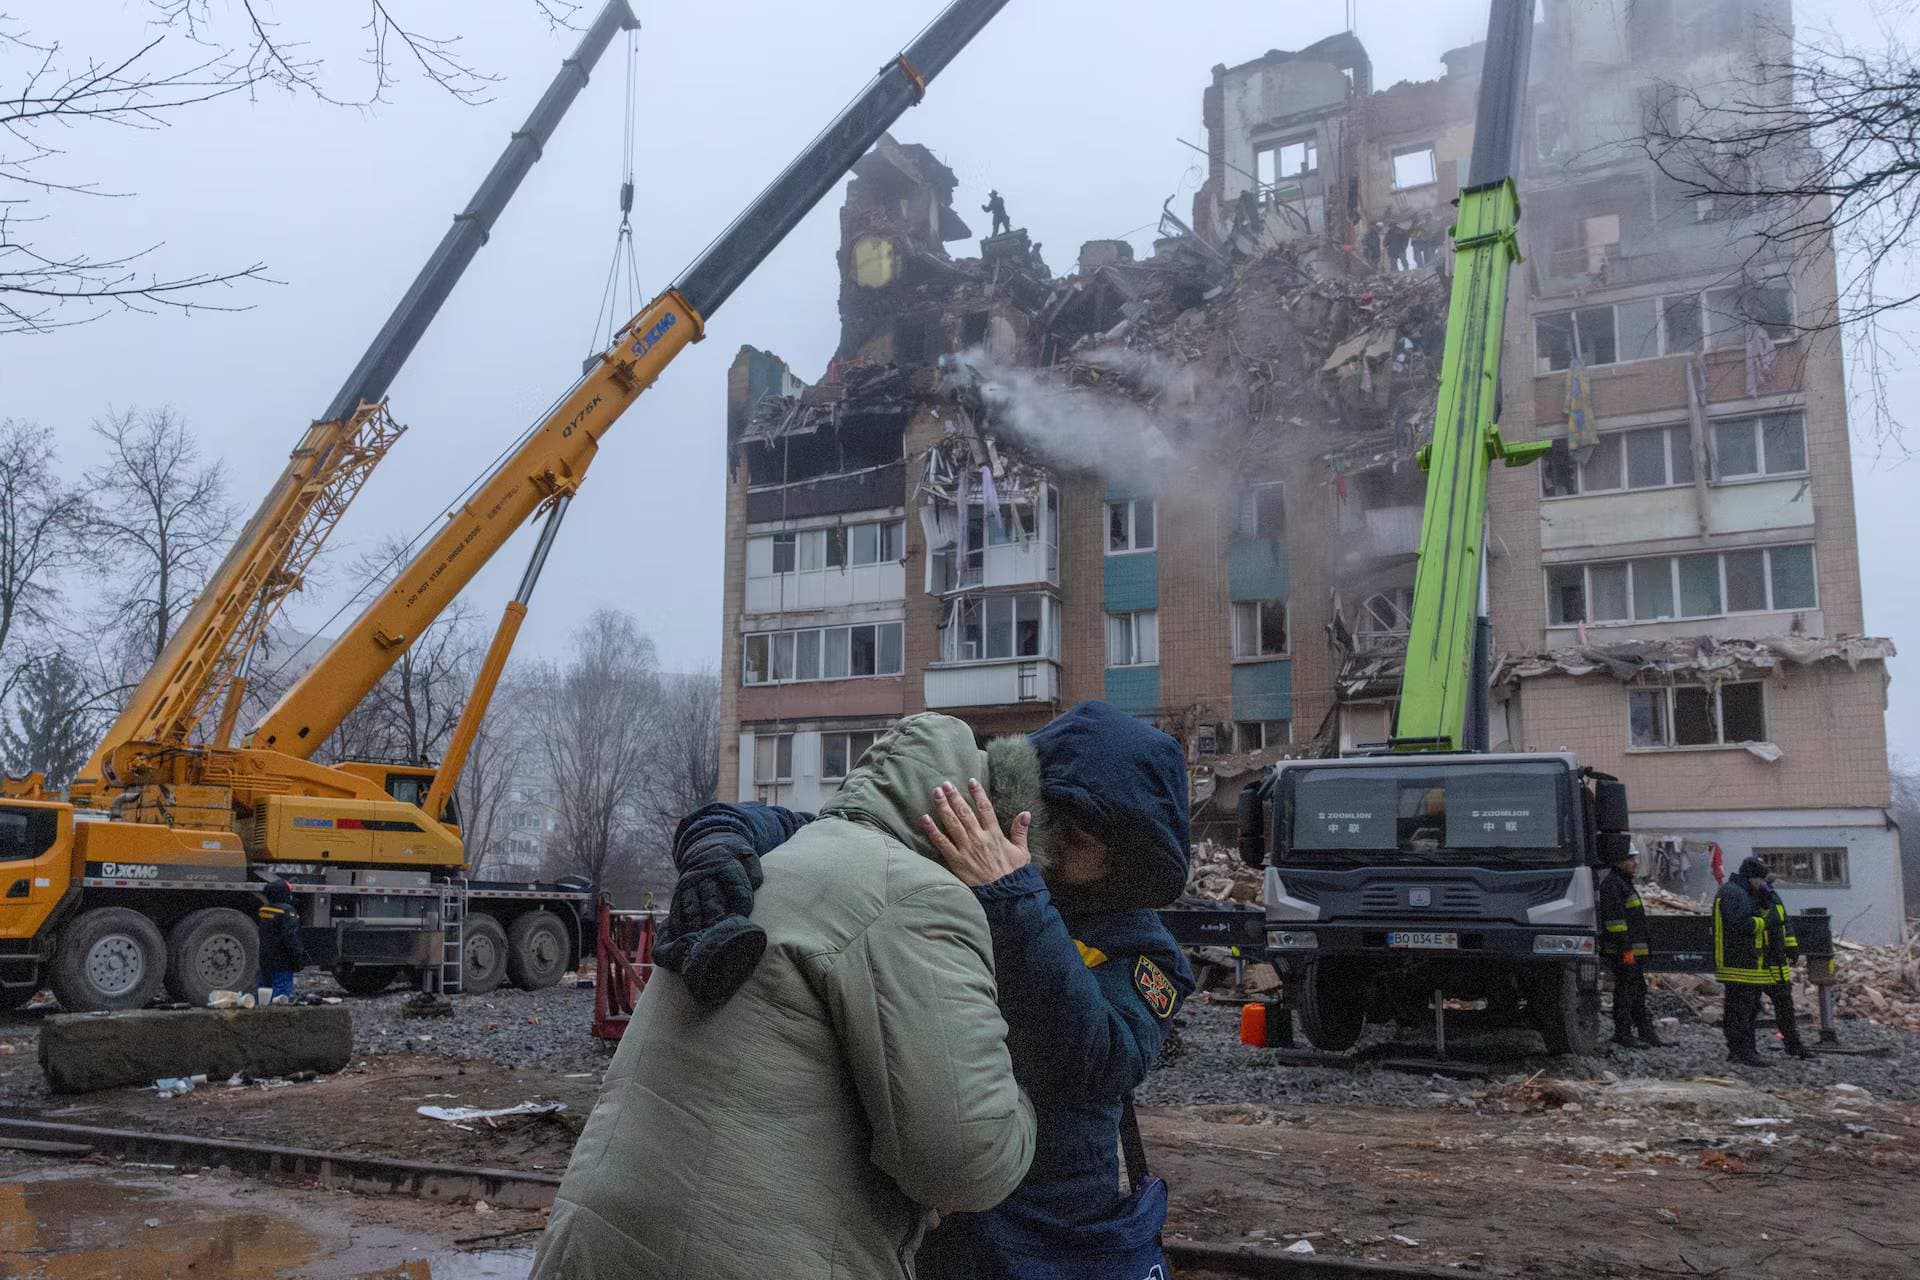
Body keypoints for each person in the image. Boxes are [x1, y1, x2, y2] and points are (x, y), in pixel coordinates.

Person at [656, 700, 1194, 1280]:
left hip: (1052, 1229)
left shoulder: (1145, 950)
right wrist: (719, 841)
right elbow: (832, 833)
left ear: (1129, 852)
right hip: (924, 1218)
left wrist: (1011, 896)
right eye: (1050, 814)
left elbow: (1102, 1058)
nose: (1054, 839)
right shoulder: (964, 847)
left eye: (1084, 832)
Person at [531, 712, 1038, 1280]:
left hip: (592, 1245)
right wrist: (1029, 1092)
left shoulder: (771, 861)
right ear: (980, 817)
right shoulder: (918, 898)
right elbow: (964, 1163)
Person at [1598, 846, 1666, 1049]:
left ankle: (1645, 1033)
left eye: (1635, 858)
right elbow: (1615, 924)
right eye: (1629, 859)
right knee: (1626, 992)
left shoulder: (1623, 884)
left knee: (1637, 991)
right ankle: (1623, 1033)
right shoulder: (1613, 885)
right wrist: (1626, 950)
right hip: (1624, 953)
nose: (1635, 863)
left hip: (1631, 952)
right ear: (1617, 861)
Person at [1714, 856, 1777, 1068]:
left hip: (1747, 963)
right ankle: (1742, 1051)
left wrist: (1765, 904)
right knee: (1740, 1011)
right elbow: (1740, 924)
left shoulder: (1742, 892)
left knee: (1747, 1009)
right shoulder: (1734, 893)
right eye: (1761, 880)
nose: (1763, 885)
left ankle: (1744, 1050)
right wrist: (1763, 922)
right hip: (1738, 963)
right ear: (1752, 877)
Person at [1759, 876, 1817, 1059]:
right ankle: (1744, 1049)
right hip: (1758, 961)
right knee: (1749, 1007)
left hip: (1776, 960)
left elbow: (1784, 922)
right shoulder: (1748, 896)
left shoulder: (1772, 895)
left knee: (1784, 1004)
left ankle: (1793, 1044)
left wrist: (1791, 946)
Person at [255, 879, 308, 1004]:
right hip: (282, 961)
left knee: (263, 991)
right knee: (281, 995)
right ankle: (279, 1017)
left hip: (265, 959)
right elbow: (291, 937)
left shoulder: (263, 910)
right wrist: (299, 958)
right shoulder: (287, 912)